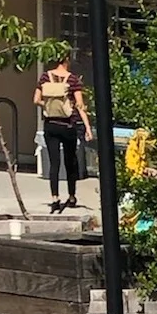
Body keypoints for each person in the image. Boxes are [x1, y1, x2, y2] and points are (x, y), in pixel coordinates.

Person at [35, 46, 91, 213]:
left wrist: (49, 106)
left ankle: (54, 198)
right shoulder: (73, 80)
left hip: (51, 124)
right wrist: (87, 127)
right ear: (67, 59)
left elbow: (36, 99)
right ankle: (72, 195)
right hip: (68, 125)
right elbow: (80, 106)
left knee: (54, 163)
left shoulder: (45, 77)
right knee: (70, 161)